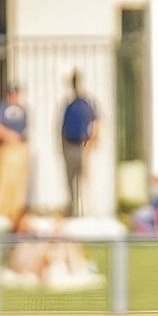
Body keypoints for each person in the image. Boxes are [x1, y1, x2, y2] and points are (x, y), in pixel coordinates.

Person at [0, 82, 29, 220]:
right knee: (3, 181)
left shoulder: (22, 110)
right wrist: (8, 135)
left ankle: (15, 212)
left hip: (19, 149)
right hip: (6, 148)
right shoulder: (1, 108)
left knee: (18, 183)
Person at [61, 70, 99, 216]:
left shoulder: (86, 103)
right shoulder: (69, 104)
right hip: (69, 145)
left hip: (82, 146)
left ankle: (86, 212)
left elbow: (97, 122)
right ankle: (73, 210)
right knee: (70, 181)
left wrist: (92, 141)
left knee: (83, 181)